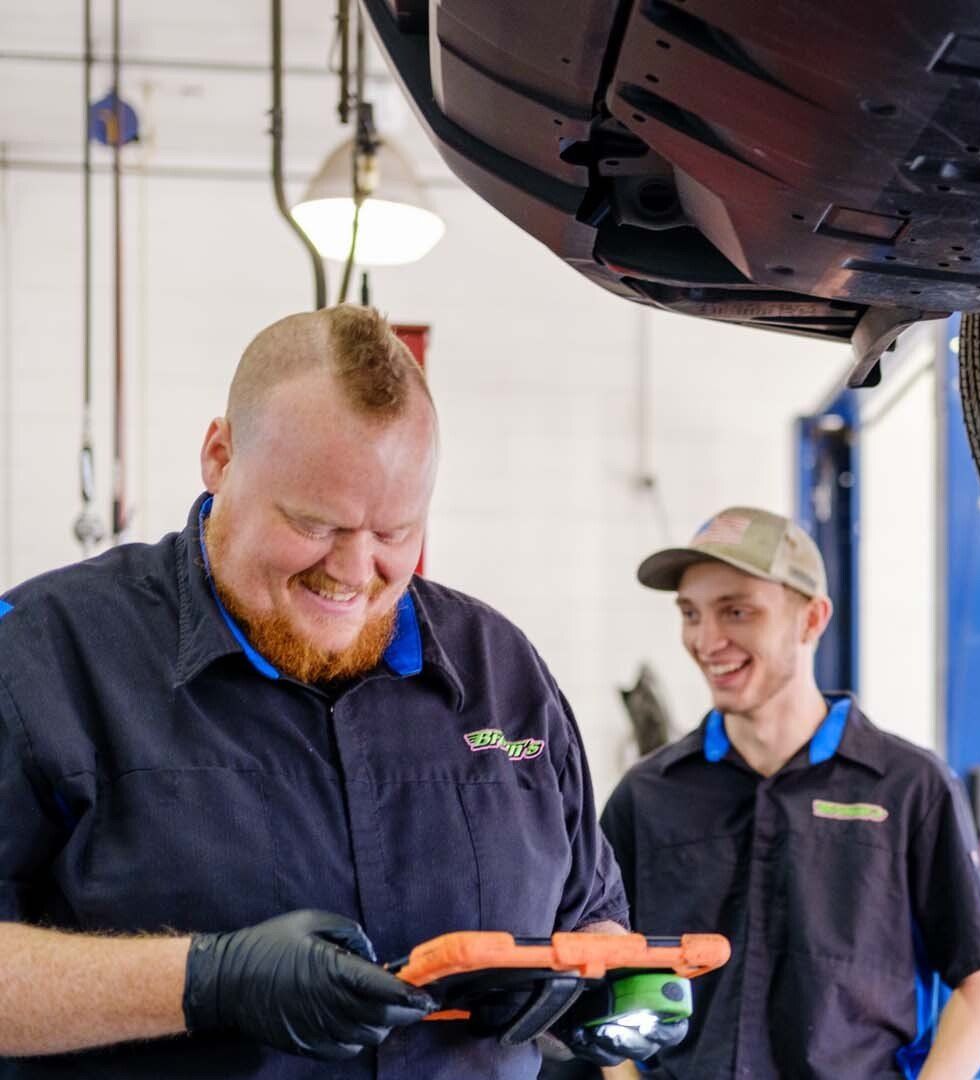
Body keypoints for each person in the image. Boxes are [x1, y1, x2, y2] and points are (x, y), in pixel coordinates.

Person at [0, 306, 677, 1077]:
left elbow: (590, 916)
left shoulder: (502, 673)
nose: (355, 572)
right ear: (220, 457)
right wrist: (202, 982)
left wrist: (604, 991)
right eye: (316, 523)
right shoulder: (46, 655)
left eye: (395, 532)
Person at [601, 507, 980, 1079]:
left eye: (737, 611)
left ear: (811, 619)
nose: (706, 639)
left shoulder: (907, 787)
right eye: (691, 613)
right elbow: (608, 964)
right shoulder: (647, 796)